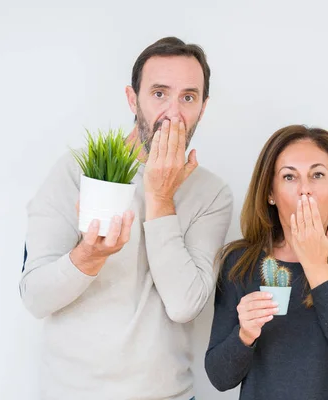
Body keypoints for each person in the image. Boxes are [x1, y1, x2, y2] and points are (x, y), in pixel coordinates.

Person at [19, 37, 233, 400]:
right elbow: (35, 297)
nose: (174, 113)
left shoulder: (212, 193)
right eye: (159, 93)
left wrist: (160, 197)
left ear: (203, 106)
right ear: (133, 99)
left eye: (188, 97)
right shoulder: (78, 170)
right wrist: (89, 256)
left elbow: (184, 306)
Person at [204, 125, 328, 399]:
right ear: (270, 193)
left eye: (317, 175)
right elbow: (219, 378)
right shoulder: (240, 262)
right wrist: (244, 334)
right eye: (289, 177)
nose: (305, 190)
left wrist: (315, 264)